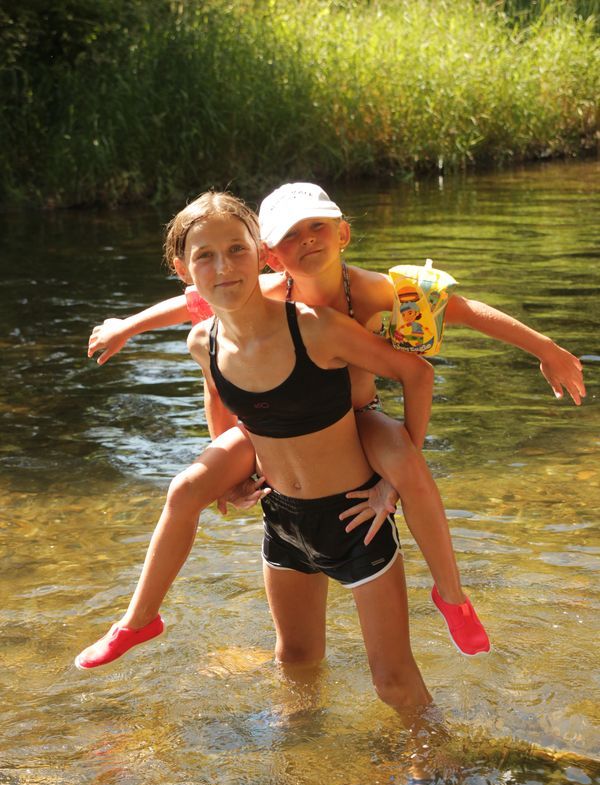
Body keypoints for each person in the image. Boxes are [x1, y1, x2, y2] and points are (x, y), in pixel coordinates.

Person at [76, 183, 585, 669]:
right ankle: (139, 619)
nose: (307, 240)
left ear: (343, 232)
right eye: (291, 235)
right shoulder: (262, 289)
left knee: (406, 464)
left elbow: (464, 313)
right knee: (186, 487)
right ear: (271, 255)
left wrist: (546, 349)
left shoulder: (377, 291)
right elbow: (196, 305)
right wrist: (128, 326)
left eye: (317, 226)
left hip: (359, 416)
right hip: (279, 420)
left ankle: (451, 596)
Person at [82, 191, 438, 721]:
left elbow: (419, 365)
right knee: (294, 661)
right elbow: (218, 395)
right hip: (283, 520)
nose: (224, 266)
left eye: (236, 250)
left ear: (261, 255)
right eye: (205, 256)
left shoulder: (313, 324)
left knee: (393, 684)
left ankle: (437, 758)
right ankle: (296, 754)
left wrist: (398, 470)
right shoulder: (203, 340)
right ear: (184, 270)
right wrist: (231, 474)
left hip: (353, 519)